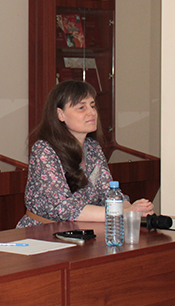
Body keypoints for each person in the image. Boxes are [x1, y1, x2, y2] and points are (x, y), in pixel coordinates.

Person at [17, 80, 154, 227]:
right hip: (42, 232)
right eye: (81, 107)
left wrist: (133, 208)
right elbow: (63, 208)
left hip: (82, 231)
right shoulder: (44, 150)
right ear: (60, 114)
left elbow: (108, 192)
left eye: (92, 106)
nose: (91, 112)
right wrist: (122, 212)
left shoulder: (93, 148)